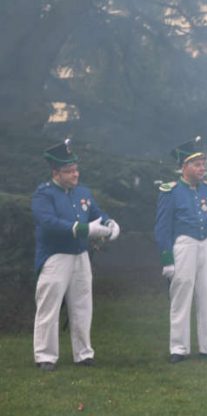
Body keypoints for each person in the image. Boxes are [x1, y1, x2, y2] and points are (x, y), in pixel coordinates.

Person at [32, 139, 120, 371]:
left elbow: (95, 212)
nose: (75, 174)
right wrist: (83, 229)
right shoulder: (43, 194)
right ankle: (45, 356)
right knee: (48, 306)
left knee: (82, 305)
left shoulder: (83, 191)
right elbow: (49, 222)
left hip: (80, 255)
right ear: (55, 173)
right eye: (69, 171)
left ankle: (83, 353)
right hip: (55, 256)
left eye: (76, 169)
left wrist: (110, 222)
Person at [155, 136, 207, 363]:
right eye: (197, 164)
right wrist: (167, 258)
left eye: (203, 164)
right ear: (184, 167)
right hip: (184, 244)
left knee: (205, 294)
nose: (202, 168)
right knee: (182, 294)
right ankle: (179, 347)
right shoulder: (171, 191)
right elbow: (162, 227)